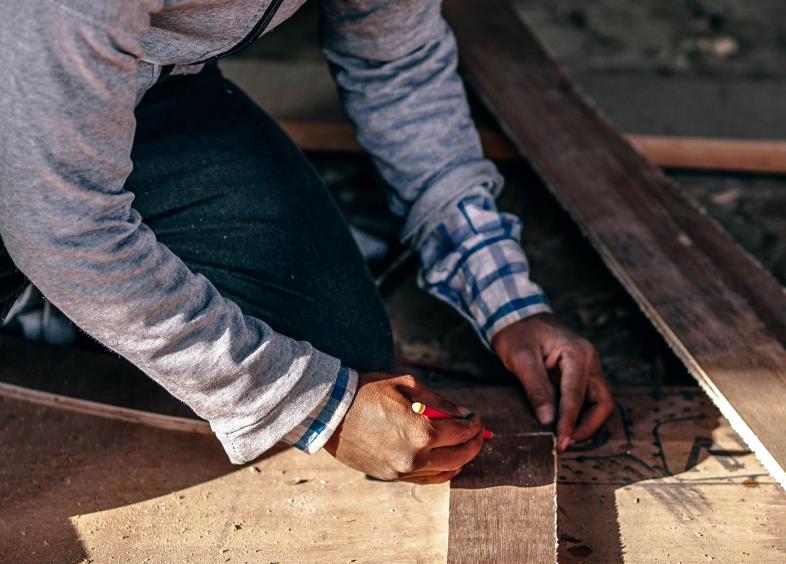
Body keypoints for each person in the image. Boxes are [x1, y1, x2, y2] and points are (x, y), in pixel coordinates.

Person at [0, 0, 614, 484]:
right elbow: (62, 224)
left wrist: (508, 300)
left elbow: (396, 67)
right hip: (17, 105)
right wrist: (321, 405)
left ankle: (73, 304)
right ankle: (41, 295)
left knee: (342, 351)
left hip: (145, 91)